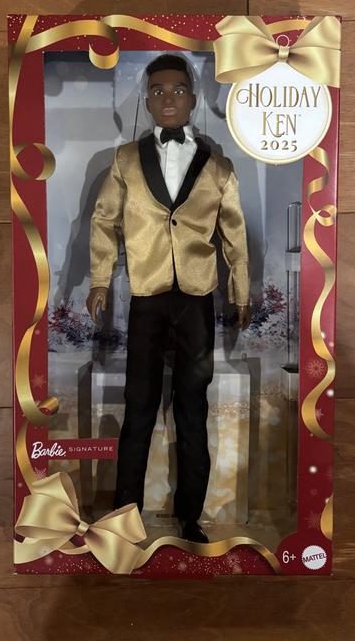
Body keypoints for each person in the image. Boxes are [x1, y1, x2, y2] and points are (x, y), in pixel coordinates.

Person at [87, 53, 250, 543]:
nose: (168, 99)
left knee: (192, 408)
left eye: (177, 89)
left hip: (197, 297)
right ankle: (125, 512)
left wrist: (241, 290)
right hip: (148, 294)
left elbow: (235, 234)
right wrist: (99, 278)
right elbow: (104, 220)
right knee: (138, 405)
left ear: (193, 99)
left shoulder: (218, 166)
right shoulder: (126, 160)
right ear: (147, 99)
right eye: (157, 91)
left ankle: (190, 515)